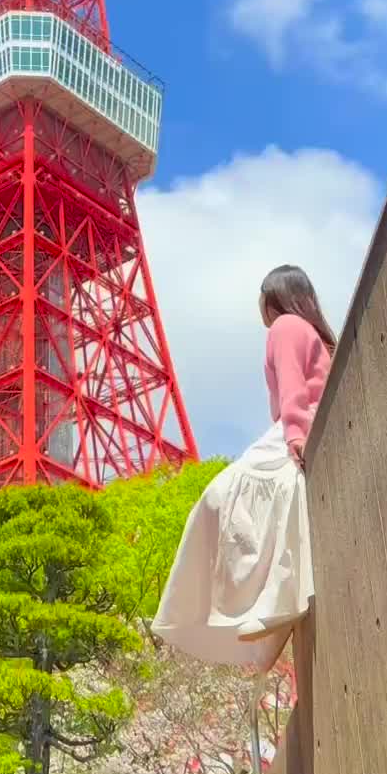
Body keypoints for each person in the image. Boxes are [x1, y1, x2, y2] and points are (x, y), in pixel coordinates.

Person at [152, 264, 336, 673]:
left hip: (294, 432)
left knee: (218, 498)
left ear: (275, 298)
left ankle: (228, 605)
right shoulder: (317, 336)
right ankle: (262, 605)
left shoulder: (285, 327)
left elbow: (292, 389)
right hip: (306, 429)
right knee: (276, 524)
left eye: (261, 296)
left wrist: (294, 438)